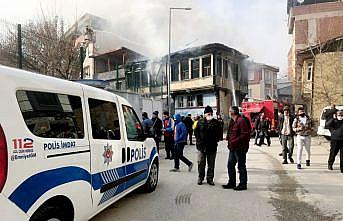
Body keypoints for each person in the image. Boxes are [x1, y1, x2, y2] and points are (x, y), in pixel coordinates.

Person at [223, 106, 251, 191]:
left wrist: (234, 141)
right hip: (233, 148)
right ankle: (232, 183)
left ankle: (243, 184)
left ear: (233, 112)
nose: (228, 112)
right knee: (230, 165)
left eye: (229, 111)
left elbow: (245, 134)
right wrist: (228, 139)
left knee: (241, 166)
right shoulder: (233, 121)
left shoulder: (241, 120)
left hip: (240, 148)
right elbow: (231, 132)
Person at [194, 106, 221, 185]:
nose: (209, 114)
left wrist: (216, 139)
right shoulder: (200, 122)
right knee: (201, 163)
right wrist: (199, 141)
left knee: (211, 164)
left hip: (212, 147)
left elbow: (219, 133)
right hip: (201, 147)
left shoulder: (216, 122)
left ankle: (210, 178)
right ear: (205, 114)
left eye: (210, 113)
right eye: (207, 113)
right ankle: (200, 178)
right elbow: (196, 132)